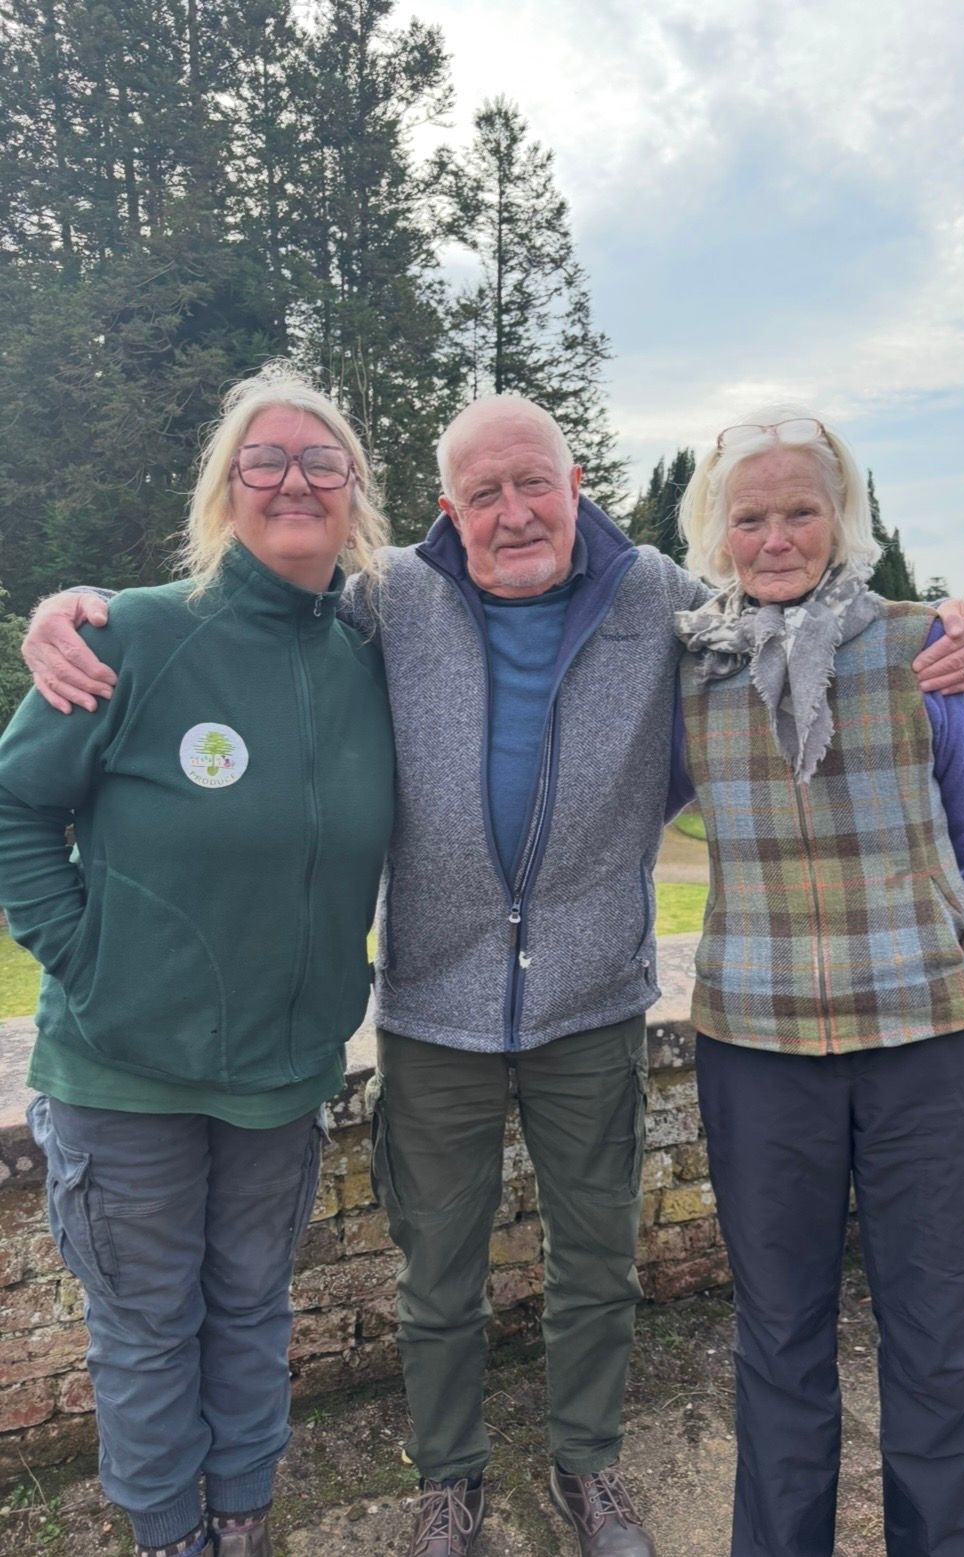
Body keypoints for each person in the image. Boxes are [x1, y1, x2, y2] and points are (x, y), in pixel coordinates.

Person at [21, 394, 964, 1557]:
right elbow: (249, 605)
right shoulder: (386, 599)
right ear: (449, 509)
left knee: (597, 1268)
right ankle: (449, 1483)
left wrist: (944, 623)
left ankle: (588, 1469)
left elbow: (792, 610)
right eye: (482, 493)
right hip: (434, 1004)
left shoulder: (657, 598)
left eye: (532, 483)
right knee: (436, 1278)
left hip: (592, 1000)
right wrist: (67, 611)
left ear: (573, 481)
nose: (512, 511)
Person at [0, 367, 396, 1557]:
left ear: (353, 491)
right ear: (227, 487)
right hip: (126, 1076)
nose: (291, 480)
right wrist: (86, 954)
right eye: (262, 460)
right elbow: (17, 807)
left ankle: (244, 1522)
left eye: (319, 461)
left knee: (250, 1314)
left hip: (280, 1075)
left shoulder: (370, 653)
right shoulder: (135, 633)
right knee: (146, 1331)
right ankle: (170, 1535)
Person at [672, 407, 964, 1557]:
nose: (776, 536)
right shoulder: (687, 664)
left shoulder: (919, 647)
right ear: (714, 530)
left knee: (935, 1339)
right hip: (756, 1048)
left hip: (929, 1034)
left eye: (800, 510)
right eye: (750, 515)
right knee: (775, 1337)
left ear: (841, 519)